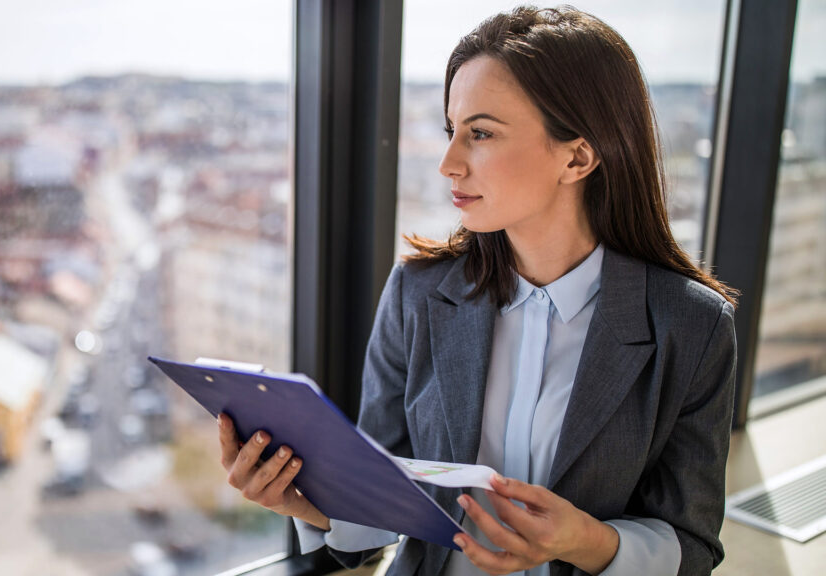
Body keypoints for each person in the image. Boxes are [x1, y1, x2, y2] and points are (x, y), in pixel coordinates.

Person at [217, 6, 738, 576]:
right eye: (452, 131)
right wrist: (302, 502)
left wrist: (584, 539)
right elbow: (380, 502)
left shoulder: (691, 325)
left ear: (578, 156)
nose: (448, 163)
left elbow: (693, 545)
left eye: (481, 133)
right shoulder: (417, 293)